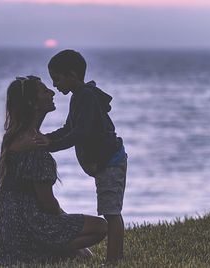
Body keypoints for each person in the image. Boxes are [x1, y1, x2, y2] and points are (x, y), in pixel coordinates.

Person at [0, 75, 107, 265]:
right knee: (101, 227)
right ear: (33, 103)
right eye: (44, 91)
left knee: (84, 252)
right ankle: (44, 252)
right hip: (28, 226)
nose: (52, 92)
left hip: (4, 230)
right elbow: (48, 203)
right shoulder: (34, 146)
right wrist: (65, 219)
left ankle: (48, 250)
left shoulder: (15, 136)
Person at [34, 50, 128, 263]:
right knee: (110, 210)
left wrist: (53, 145)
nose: (55, 86)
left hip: (111, 162)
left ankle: (114, 260)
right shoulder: (79, 96)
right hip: (106, 164)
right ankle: (116, 258)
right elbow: (69, 128)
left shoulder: (85, 96)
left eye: (57, 79)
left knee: (111, 213)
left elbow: (80, 133)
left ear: (73, 75)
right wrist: (48, 139)